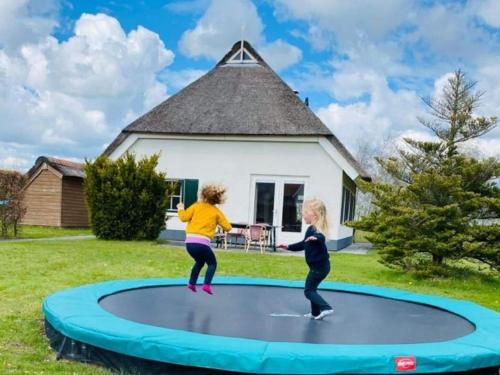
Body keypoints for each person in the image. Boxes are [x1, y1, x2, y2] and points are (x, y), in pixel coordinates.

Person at [277, 199, 334, 320]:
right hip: (319, 267)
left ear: (314, 214)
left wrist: (315, 238)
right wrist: (288, 247)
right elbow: (303, 244)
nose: (303, 215)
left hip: (319, 268)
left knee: (308, 291)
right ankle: (315, 313)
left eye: (305, 212)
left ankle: (326, 307)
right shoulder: (310, 229)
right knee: (312, 289)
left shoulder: (316, 231)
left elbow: (321, 238)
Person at [177, 183, 232, 295]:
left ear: (202, 195)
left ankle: (191, 284)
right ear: (217, 199)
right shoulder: (216, 211)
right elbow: (228, 227)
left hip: (189, 243)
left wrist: (181, 209)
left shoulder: (196, 206)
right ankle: (206, 285)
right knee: (212, 263)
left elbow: (183, 218)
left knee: (200, 261)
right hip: (202, 244)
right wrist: (218, 222)